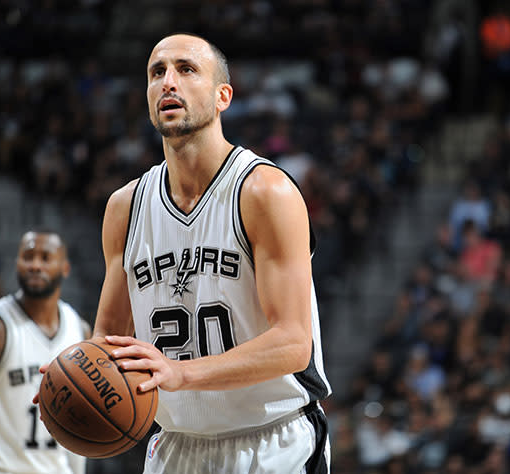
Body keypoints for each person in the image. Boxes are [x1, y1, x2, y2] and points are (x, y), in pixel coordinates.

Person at [84, 33, 331, 473]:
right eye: (156, 72)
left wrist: (182, 374)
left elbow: (294, 343)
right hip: (175, 447)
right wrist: (76, 374)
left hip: (273, 444)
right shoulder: (125, 207)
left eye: (186, 69)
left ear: (223, 97)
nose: (168, 82)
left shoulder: (263, 191)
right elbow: (107, 341)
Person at [0, 229, 90, 474]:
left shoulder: (80, 331)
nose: (34, 265)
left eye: (45, 258)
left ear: (65, 268)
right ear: (17, 262)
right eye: (27, 257)